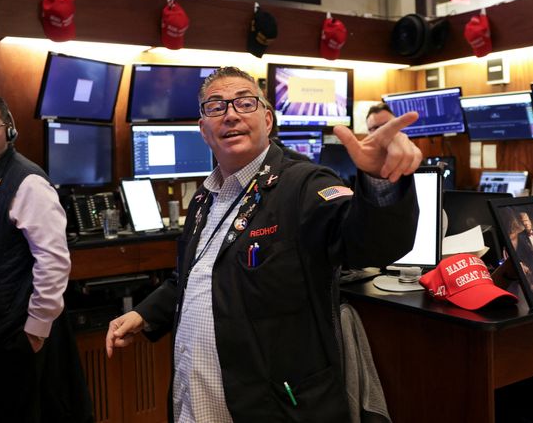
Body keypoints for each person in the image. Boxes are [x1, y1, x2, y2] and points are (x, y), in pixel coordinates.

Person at [106, 67, 422, 422]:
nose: (230, 115)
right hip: (196, 399)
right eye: (216, 106)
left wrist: (379, 182)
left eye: (244, 103)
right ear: (204, 130)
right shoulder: (204, 198)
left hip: (275, 405)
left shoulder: (304, 184)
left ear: (267, 120)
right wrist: (144, 313)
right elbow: (196, 274)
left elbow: (369, 246)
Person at [0, 93, 92, 423]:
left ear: (10, 130)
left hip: (20, 331)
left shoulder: (28, 181)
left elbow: (54, 261)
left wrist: (36, 329)